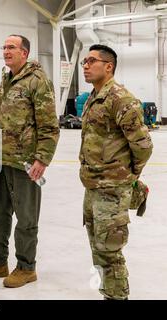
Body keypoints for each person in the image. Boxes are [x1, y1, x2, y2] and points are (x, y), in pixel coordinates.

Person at [0, 35, 60, 288]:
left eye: (12, 47)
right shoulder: (6, 80)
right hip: (2, 160)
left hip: (26, 163)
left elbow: (50, 126)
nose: (6, 51)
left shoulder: (37, 81)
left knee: (26, 217)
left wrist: (42, 159)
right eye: (4, 47)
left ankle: (26, 267)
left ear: (25, 53)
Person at [79, 44, 153, 300]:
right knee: (97, 248)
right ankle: (107, 293)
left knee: (110, 250)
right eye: (84, 62)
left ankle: (117, 297)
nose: (85, 66)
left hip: (111, 190)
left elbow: (143, 146)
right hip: (92, 187)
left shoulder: (121, 99)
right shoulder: (93, 96)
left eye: (91, 61)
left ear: (108, 66)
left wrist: (129, 176)